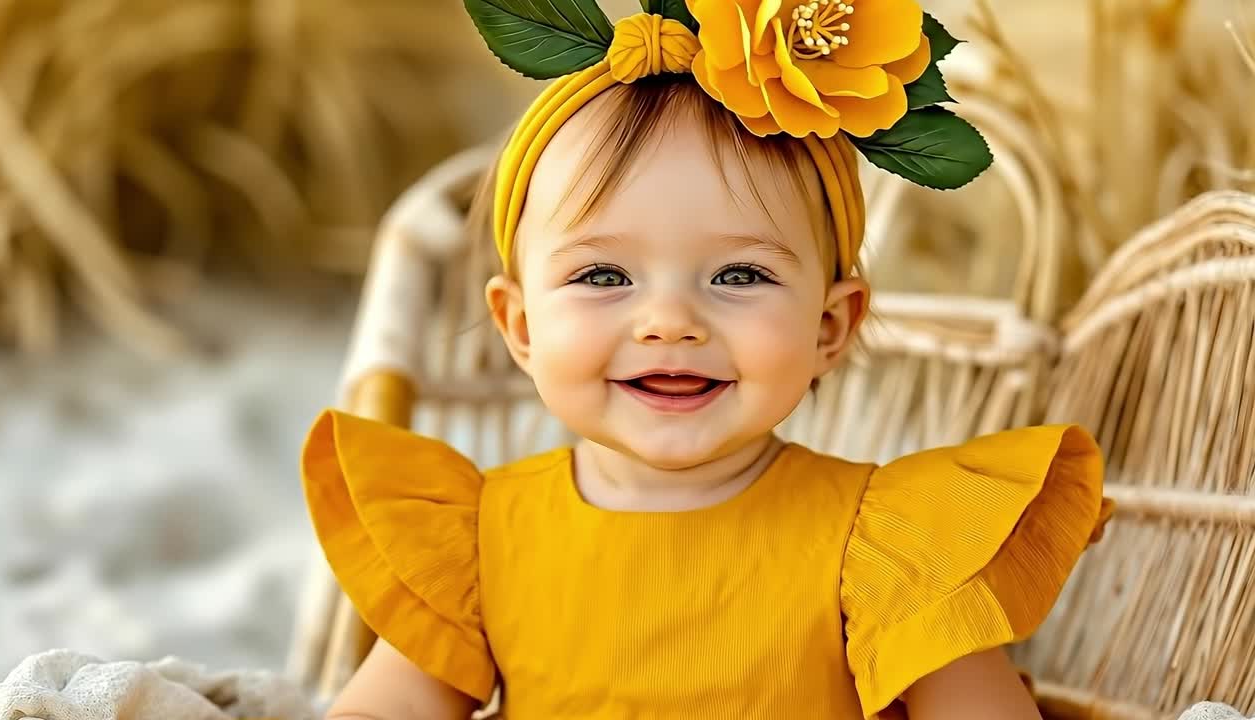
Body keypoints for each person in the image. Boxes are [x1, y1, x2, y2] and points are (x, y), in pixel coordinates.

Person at [300, 1, 1112, 717]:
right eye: (603, 275)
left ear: (831, 327)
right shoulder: (479, 543)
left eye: (739, 275)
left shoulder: (881, 550)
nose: (669, 323)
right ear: (520, 327)